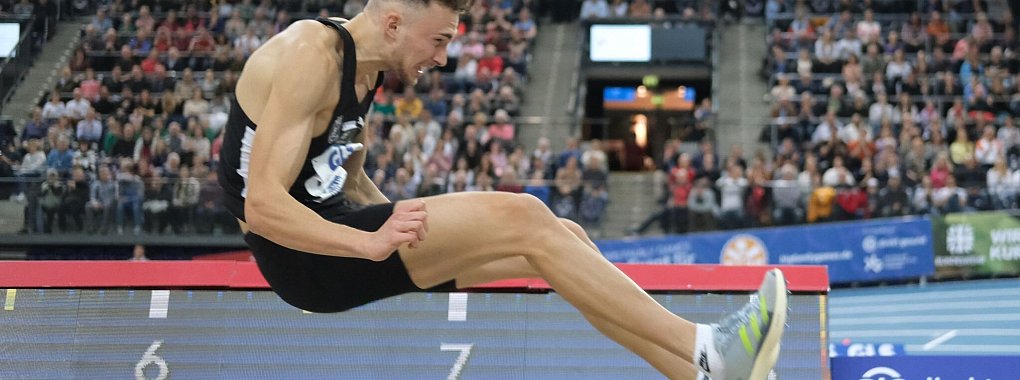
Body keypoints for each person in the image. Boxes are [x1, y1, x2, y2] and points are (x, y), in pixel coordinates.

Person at [216, 1, 787, 379]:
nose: (441, 58)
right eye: (437, 40)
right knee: (525, 215)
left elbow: (347, 173)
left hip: (336, 235)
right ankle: (708, 347)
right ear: (394, 23)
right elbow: (262, 205)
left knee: (563, 238)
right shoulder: (309, 55)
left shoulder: (365, 70)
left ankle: (696, 374)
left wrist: (388, 221)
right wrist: (371, 243)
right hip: (304, 255)